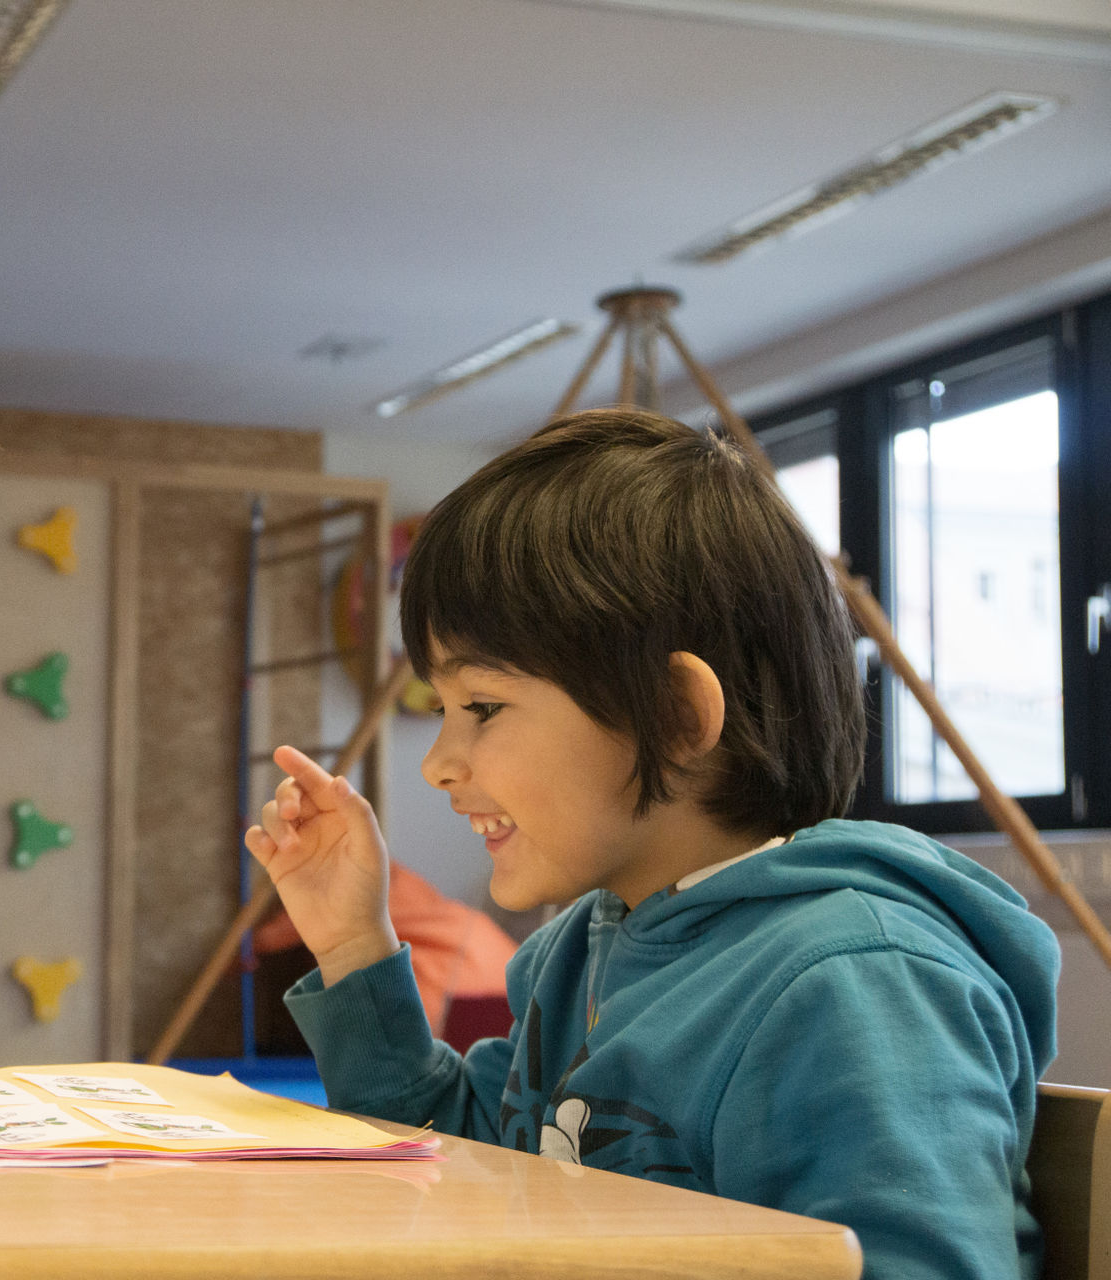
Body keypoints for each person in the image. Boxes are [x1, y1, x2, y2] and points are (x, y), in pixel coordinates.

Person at [246, 408, 1059, 1279]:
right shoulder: (579, 950)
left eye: (480, 707)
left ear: (673, 716)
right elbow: (457, 1171)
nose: (439, 764)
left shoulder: (857, 985)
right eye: (441, 711)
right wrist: (353, 944)